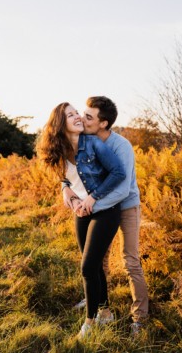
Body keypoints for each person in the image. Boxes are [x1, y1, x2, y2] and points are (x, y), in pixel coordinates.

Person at [36, 102, 126, 338]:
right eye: (70, 114)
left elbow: (118, 172)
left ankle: (90, 322)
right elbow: (66, 180)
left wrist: (93, 197)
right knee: (94, 266)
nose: (77, 116)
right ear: (60, 123)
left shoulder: (94, 144)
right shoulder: (60, 151)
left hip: (106, 210)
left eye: (77, 113)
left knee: (87, 267)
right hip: (82, 213)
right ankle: (106, 313)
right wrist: (70, 196)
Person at [63, 96, 149, 335]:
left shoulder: (120, 146)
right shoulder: (84, 140)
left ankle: (139, 318)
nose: (81, 118)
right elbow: (70, 174)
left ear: (103, 123)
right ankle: (100, 304)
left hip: (126, 206)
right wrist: (68, 193)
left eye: (88, 116)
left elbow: (122, 188)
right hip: (101, 208)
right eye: (82, 113)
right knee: (98, 259)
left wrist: (90, 205)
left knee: (130, 261)